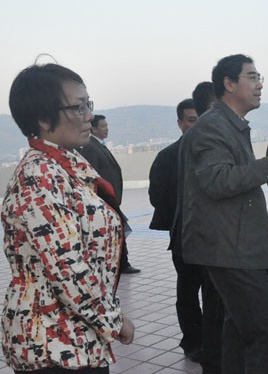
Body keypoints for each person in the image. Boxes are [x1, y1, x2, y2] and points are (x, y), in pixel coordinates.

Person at [1, 63, 134, 373]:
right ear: (44, 119)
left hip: (72, 336)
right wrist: (114, 320)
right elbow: (68, 269)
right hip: (52, 342)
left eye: (88, 104)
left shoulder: (63, 164)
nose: (89, 115)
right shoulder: (38, 176)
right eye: (78, 107)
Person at [180, 54, 268, 374]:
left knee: (239, 328)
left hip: (239, 246)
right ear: (229, 84)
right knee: (267, 331)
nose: (259, 85)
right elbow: (217, 180)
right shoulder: (213, 126)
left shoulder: (230, 124)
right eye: (252, 77)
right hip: (230, 249)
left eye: (260, 78)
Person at [148, 97, 222, 372]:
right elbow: (157, 196)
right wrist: (181, 217)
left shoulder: (213, 152)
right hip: (184, 238)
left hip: (214, 240)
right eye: (191, 120)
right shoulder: (168, 156)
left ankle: (214, 343)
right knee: (188, 292)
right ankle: (192, 341)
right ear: (180, 123)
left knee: (215, 295)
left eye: (200, 119)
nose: (196, 125)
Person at [78, 115, 140, 274]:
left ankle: (122, 262)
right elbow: (92, 176)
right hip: (104, 198)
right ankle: (122, 263)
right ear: (93, 128)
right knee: (116, 229)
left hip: (110, 197)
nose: (107, 129)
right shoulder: (91, 147)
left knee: (118, 229)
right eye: (103, 126)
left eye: (107, 125)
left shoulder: (99, 145)